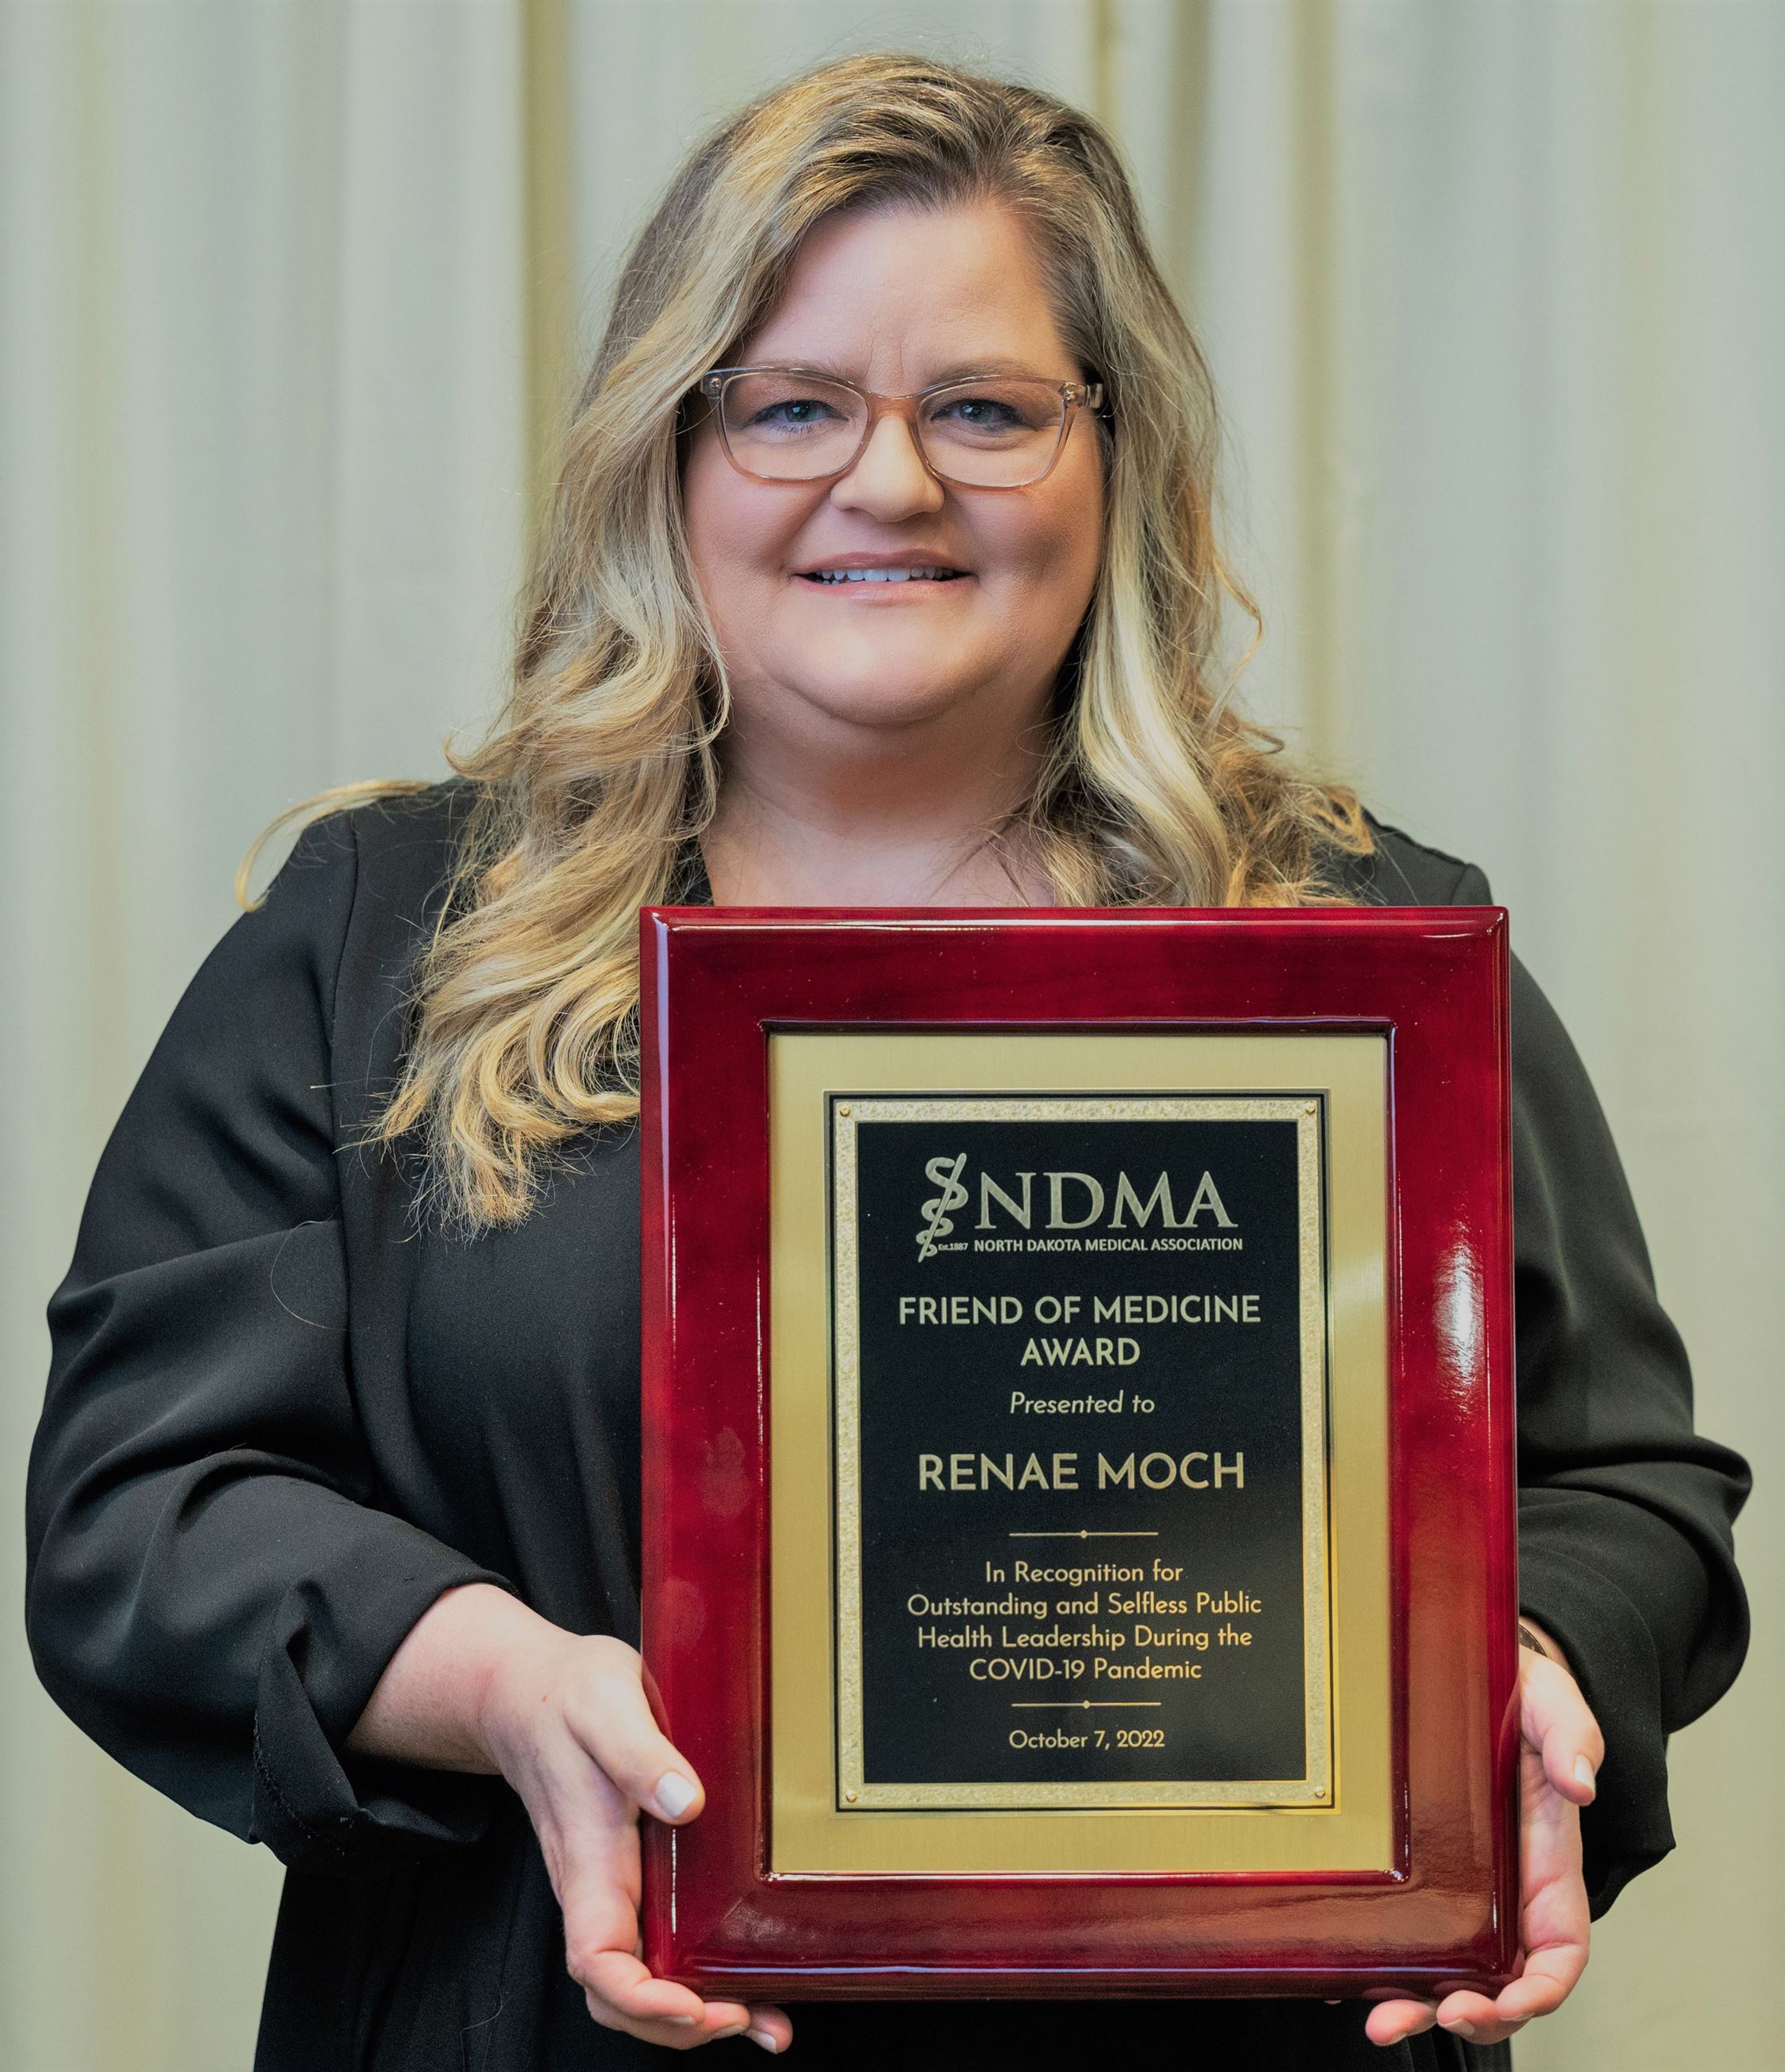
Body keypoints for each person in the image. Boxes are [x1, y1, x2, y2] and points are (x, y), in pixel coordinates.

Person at [26, 51, 1749, 2072]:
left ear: (1118, 459)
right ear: (670, 453)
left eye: (988, 410)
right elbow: (144, 1513)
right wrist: (500, 1681)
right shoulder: (386, 938)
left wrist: (1533, 1660)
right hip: (556, 2024)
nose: (891, 480)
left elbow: (1623, 1485)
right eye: (791, 406)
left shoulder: (1353, 952)